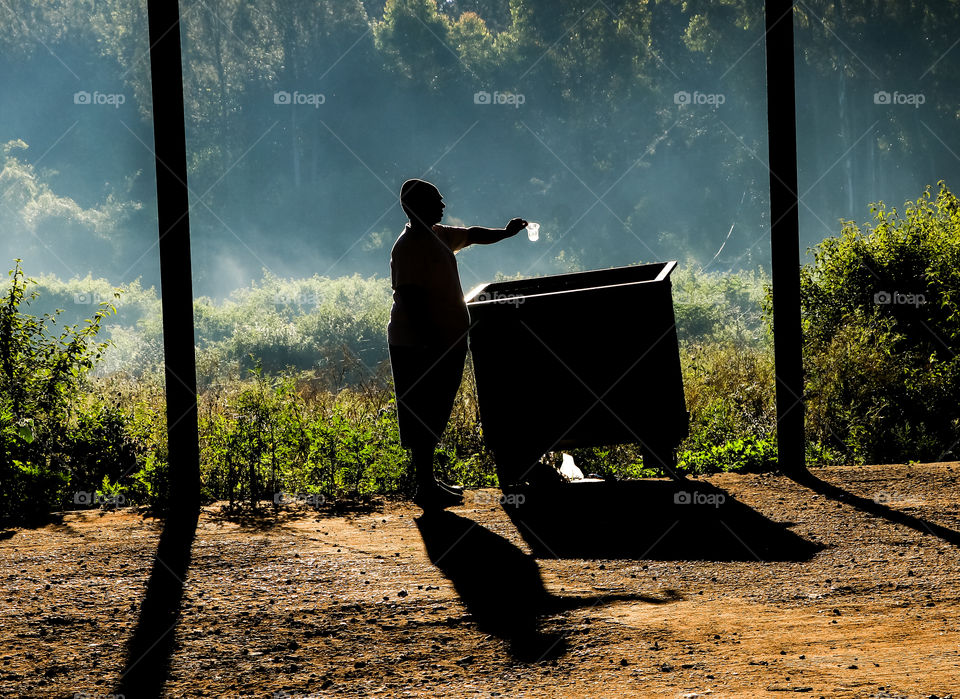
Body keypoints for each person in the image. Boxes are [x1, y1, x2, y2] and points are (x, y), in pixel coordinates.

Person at [388, 179, 527, 509]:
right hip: (419, 345)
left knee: (434, 410)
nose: (443, 205)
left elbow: (474, 234)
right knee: (423, 410)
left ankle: (429, 482)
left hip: (440, 343)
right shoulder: (408, 247)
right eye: (436, 201)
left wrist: (505, 233)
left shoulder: (436, 235)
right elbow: (408, 298)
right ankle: (424, 486)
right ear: (416, 206)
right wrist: (430, 342)